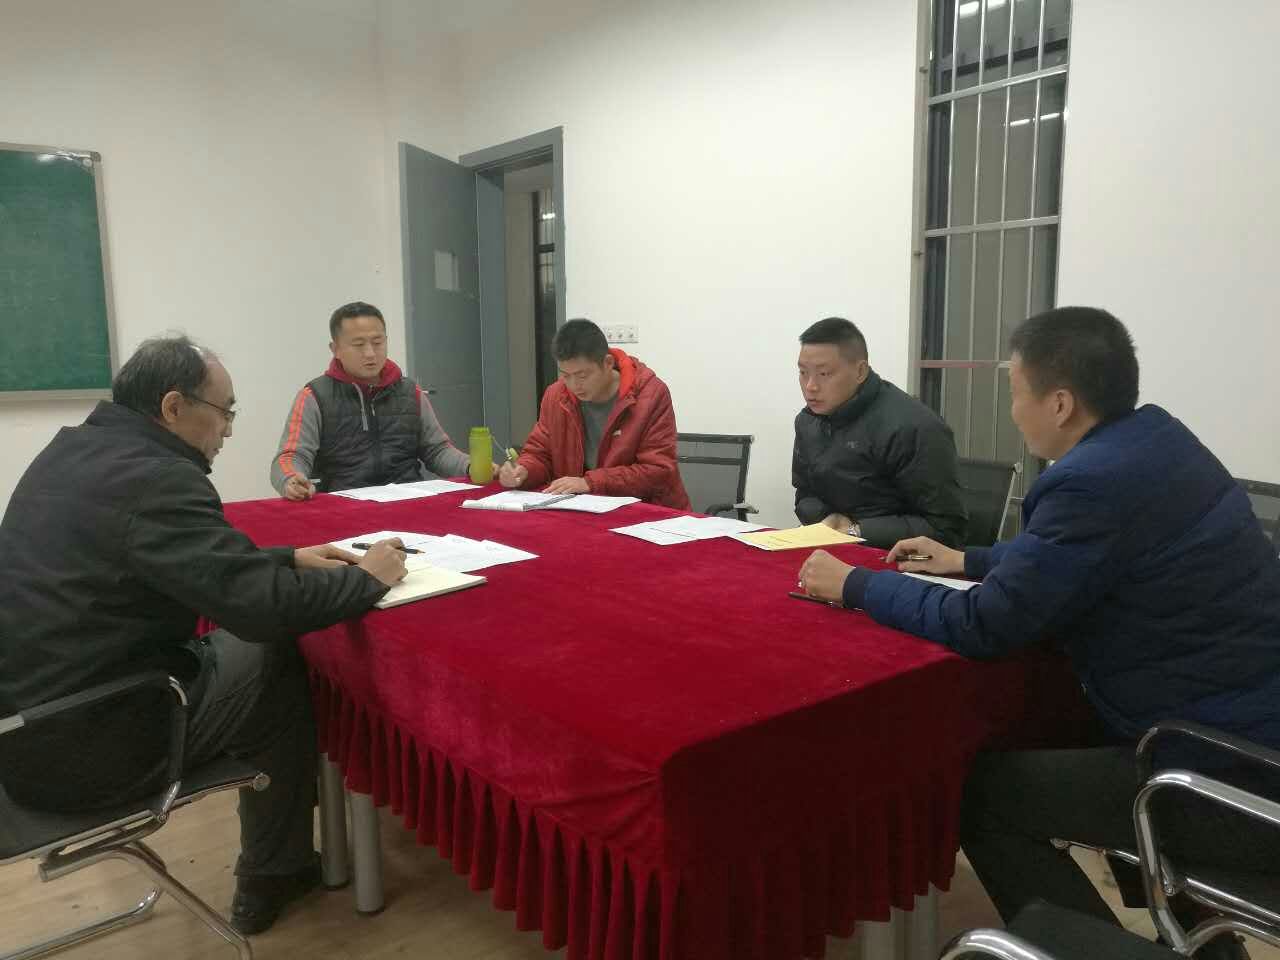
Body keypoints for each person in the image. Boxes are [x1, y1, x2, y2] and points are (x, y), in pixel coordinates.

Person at [798, 307, 1280, 959]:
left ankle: (1086, 949)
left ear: (1059, 403)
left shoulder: (1087, 481)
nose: (1013, 412)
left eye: (1015, 393)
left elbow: (985, 624)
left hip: (1227, 773)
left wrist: (855, 585)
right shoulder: (1157, 440)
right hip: (1243, 724)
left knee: (979, 794)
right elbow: (1074, 555)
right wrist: (968, 559)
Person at [0, 336, 409, 935]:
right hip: (97, 747)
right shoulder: (160, 478)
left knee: (247, 652)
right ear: (173, 407)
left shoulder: (73, 452)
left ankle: (278, 860)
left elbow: (159, 556)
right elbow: (262, 611)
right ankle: (274, 870)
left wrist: (285, 556)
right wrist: (368, 578)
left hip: (25, 735)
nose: (229, 430)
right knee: (275, 653)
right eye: (224, 411)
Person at [793, 316, 966, 548]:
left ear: (860, 371)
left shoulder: (912, 427)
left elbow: (945, 528)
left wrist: (858, 531)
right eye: (803, 372)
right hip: (832, 545)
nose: (810, 386)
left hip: (894, 556)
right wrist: (827, 518)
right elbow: (805, 493)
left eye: (824, 374)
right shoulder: (808, 421)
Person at [270, 301, 468, 499]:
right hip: (341, 504)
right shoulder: (314, 396)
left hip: (408, 500)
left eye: (377, 342)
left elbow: (437, 451)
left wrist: (471, 466)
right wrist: (291, 479)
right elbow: (290, 456)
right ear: (335, 349)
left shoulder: (409, 391)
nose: (370, 353)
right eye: (358, 345)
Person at [496, 318, 691, 510]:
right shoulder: (556, 396)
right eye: (565, 375)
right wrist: (524, 470)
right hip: (582, 510)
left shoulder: (650, 395)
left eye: (582, 375)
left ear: (607, 363)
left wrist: (590, 482)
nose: (574, 385)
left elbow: (657, 470)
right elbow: (540, 454)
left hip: (649, 513)